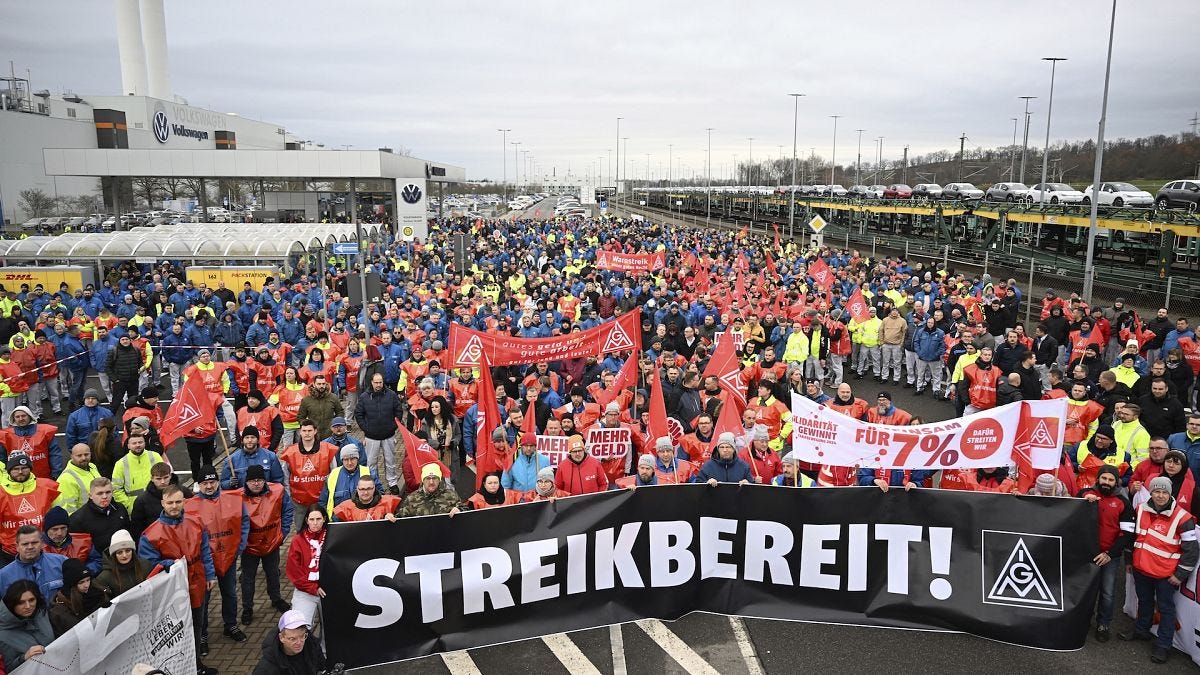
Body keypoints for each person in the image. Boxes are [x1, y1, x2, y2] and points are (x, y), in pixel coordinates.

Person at [138, 484, 219, 675]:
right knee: (177, 631)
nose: (174, 506)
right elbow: (147, 564)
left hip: (197, 582)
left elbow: (205, 551)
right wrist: (168, 563)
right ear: (162, 503)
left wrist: (210, 574)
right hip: (172, 591)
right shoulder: (151, 534)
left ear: (184, 501)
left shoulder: (196, 522)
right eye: (170, 502)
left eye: (178, 502)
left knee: (197, 624)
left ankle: (196, 664)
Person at [1121, 476, 1200, 664]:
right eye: (1157, 491)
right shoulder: (1140, 509)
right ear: (1152, 492)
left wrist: (1180, 575)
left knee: (1166, 610)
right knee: (1144, 601)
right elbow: (1133, 538)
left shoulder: (1183, 518)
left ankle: (1163, 646)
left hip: (1166, 575)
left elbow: (1191, 550)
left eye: (1165, 492)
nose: (1160, 495)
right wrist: (1129, 560)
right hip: (1141, 569)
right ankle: (1141, 630)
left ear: (1170, 493)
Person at [187, 464, 249, 648]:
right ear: (199, 485)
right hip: (204, 563)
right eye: (205, 483)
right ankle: (202, 634)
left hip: (228, 557)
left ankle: (230, 625)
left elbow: (243, 521)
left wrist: (240, 545)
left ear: (218, 482)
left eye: (212, 482)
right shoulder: (190, 506)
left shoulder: (233, 499)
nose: (209, 486)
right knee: (203, 600)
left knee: (229, 594)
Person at [1078, 462, 1136, 641]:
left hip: (1109, 556)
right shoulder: (1085, 495)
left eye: (1111, 479)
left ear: (1117, 482)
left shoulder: (1124, 503)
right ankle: (1081, 620)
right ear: (1098, 479)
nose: (1106, 482)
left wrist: (1109, 554)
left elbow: (1127, 534)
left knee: (1107, 592)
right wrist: (1085, 497)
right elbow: (1071, 512)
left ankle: (1103, 624)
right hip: (1085, 554)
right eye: (1103, 478)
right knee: (1083, 590)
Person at [233, 465, 294, 624]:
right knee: (248, 579)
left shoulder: (278, 491)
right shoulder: (236, 497)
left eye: (260, 480)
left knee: (273, 573)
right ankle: (247, 607)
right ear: (246, 482)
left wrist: (283, 533)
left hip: (271, 543)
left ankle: (276, 598)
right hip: (249, 547)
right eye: (252, 480)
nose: (256, 484)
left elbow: (287, 511)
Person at [0, 453, 61, 562]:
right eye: (16, 468)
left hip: (43, 550)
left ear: (30, 469)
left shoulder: (47, 487)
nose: (20, 471)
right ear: (9, 471)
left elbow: (59, 517)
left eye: (24, 468)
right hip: (10, 553)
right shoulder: (1, 493)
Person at [278, 419, 338, 524]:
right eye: (304, 430)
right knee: (300, 529)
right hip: (299, 502)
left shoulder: (327, 450)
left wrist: (330, 494)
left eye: (309, 430)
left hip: (322, 499)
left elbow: (334, 473)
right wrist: (289, 495)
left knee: (324, 528)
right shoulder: (291, 452)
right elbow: (286, 476)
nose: (307, 433)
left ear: (315, 431)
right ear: (300, 432)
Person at [354, 372, 404, 495]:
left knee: (390, 460)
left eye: (380, 382)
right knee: (371, 462)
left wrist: (393, 426)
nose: (378, 385)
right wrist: (366, 429)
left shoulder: (391, 395)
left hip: (389, 435)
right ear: (371, 382)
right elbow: (358, 414)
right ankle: (374, 484)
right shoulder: (364, 397)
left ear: (383, 382)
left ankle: (392, 483)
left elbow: (399, 411)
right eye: (376, 382)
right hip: (371, 437)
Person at [285, 505, 327, 628]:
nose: (315, 523)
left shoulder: (333, 536)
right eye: (312, 519)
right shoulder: (298, 540)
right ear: (306, 520)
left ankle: (324, 648)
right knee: (299, 626)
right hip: (305, 591)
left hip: (329, 591)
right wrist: (313, 587)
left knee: (332, 630)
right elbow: (294, 572)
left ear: (324, 519)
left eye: (318, 519)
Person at [0, 525, 67, 602]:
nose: (30, 547)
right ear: (17, 547)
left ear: (42, 544)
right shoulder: (3, 576)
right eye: (25, 544)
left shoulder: (61, 562)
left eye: (34, 542)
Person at [129, 461, 193, 542]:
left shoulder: (184, 493)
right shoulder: (142, 501)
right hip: (155, 543)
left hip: (184, 539)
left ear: (170, 476)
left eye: (165, 477)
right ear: (152, 478)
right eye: (158, 479)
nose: (162, 482)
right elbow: (137, 530)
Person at [68, 477, 132, 555]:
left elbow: (129, 534)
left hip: (123, 557)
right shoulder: (78, 519)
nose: (104, 496)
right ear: (90, 495)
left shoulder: (120, 509)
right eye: (100, 493)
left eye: (108, 492)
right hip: (97, 563)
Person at [252, 609, 327, 675]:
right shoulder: (266, 669)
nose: (299, 642)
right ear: (281, 638)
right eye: (292, 639)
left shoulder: (312, 645)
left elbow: (322, 666)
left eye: (302, 636)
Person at [0, 579, 54, 669]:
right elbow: (9, 669)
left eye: (31, 600)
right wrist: (24, 657)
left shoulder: (43, 614)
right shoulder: (3, 635)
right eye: (21, 602)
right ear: (12, 604)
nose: (28, 606)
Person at [0, 405, 64, 480]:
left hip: (43, 477)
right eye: (17, 417)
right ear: (13, 419)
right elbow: (2, 458)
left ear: (30, 416)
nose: (21, 419)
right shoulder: (6, 435)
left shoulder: (45, 432)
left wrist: (56, 472)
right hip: (17, 478)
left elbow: (54, 454)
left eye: (23, 416)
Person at [48, 558, 106, 637]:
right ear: (72, 584)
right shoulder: (59, 609)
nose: (86, 585)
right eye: (81, 582)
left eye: (88, 580)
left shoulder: (97, 592)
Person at [92, 529, 152, 600]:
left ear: (133, 551)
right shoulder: (104, 577)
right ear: (114, 555)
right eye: (119, 552)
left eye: (128, 551)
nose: (124, 555)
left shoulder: (145, 565)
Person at [40, 506, 101, 575]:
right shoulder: (36, 546)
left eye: (63, 528)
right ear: (46, 530)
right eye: (55, 529)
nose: (59, 533)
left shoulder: (83, 542)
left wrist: (84, 572)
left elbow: (97, 561)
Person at [111, 433, 165, 511]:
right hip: (134, 507)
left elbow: (165, 479)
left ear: (144, 443)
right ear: (128, 446)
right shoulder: (120, 464)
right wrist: (129, 505)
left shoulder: (155, 456)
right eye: (134, 443)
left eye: (140, 442)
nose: (138, 445)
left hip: (157, 503)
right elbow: (116, 489)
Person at [221, 426, 285, 489]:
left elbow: (278, 480)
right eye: (247, 437)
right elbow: (222, 483)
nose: (249, 440)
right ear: (242, 440)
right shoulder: (231, 460)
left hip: (265, 497)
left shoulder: (271, 457)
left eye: (253, 437)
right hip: (242, 498)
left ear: (258, 440)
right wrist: (229, 483)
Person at [53, 443, 102, 514]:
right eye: (79, 455)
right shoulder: (66, 478)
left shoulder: (92, 467)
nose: (83, 458)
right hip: (84, 520)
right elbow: (68, 510)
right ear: (71, 456)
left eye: (86, 454)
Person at [397, 463, 462, 517]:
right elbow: (399, 519)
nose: (431, 482)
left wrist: (459, 510)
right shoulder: (411, 499)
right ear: (423, 480)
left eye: (434, 478)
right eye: (428, 478)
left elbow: (466, 511)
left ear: (439, 480)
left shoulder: (451, 495)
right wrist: (389, 517)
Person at [333, 473, 401, 522]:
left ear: (374, 488)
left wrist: (393, 518)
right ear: (357, 489)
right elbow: (336, 529)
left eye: (369, 489)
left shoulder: (389, 503)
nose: (365, 492)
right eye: (362, 489)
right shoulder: (344, 508)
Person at [296, 374, 343, 440]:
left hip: (330, 435)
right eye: (319, 384)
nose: (322, 386)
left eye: (323, 384)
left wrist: (336, 424)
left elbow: (340, 412)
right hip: (314, 436)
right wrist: (308, 428)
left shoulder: (333, 397)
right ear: (314, 384)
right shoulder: (306, 400)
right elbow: (300, 417)